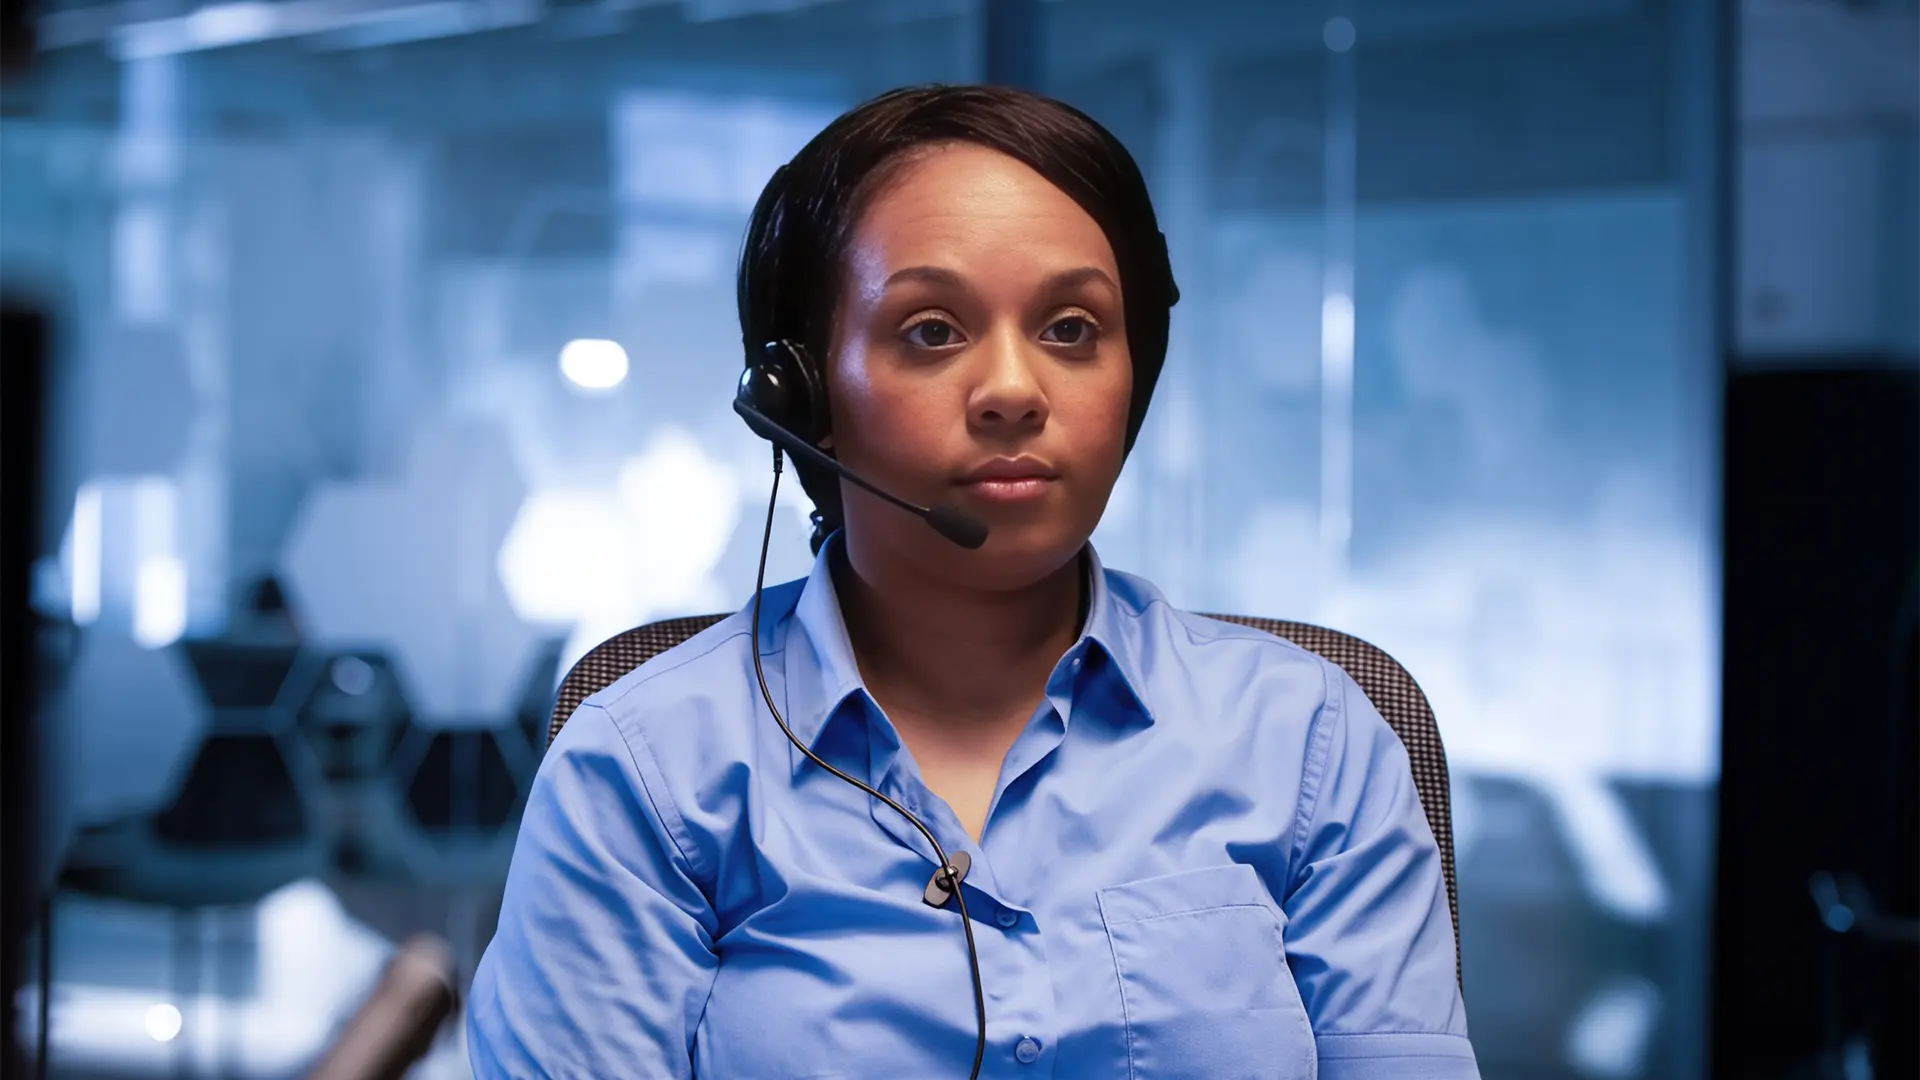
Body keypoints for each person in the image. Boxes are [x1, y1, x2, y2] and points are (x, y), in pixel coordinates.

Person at [467, 84, 1477, 1079]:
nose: (1011, 391)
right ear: (803, 394)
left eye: (1073, 328)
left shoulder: (1308, 739)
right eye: (932, 331)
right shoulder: (649, 772)